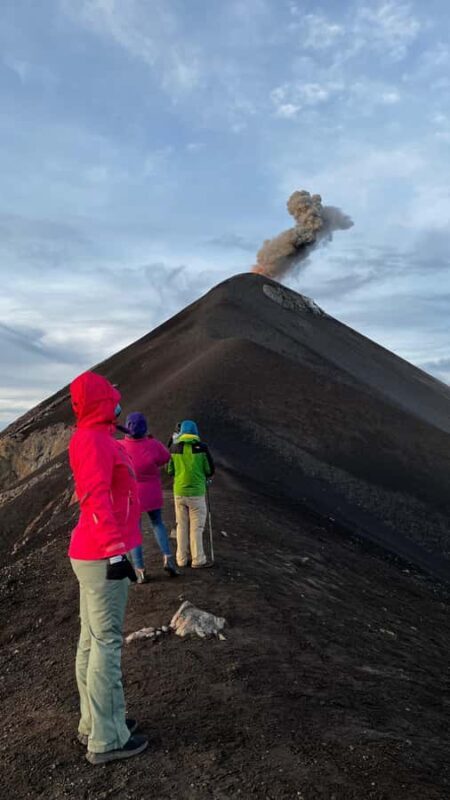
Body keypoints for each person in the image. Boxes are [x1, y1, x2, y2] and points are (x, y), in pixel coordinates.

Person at [68, 371, 148, 765]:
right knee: (106, 643)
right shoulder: (94, 441)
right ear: (103, 403)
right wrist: (117, 552)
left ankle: (96, 722)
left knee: (92, 639)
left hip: (92, 551)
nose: (118, 403)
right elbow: (95, 497)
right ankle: (108, 738)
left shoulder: (96, 438)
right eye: (113, 398)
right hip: (102, 555)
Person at [121, 412, 180, 581]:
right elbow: (166, 457)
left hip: (132, 495)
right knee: (157, 523)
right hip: (152, 492)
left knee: (135, 530)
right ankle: (168, 558)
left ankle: (139, 570)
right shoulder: (153, 444)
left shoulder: (121, 446)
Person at [168, 419, 215, 568]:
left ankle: (181, 559)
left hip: (179, 492)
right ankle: (198, 559)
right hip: (197, 493)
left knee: (181, 525)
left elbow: (169, 470)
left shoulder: (174, 448)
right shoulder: (202, 448)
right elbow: (210, 470)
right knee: (196, 527)